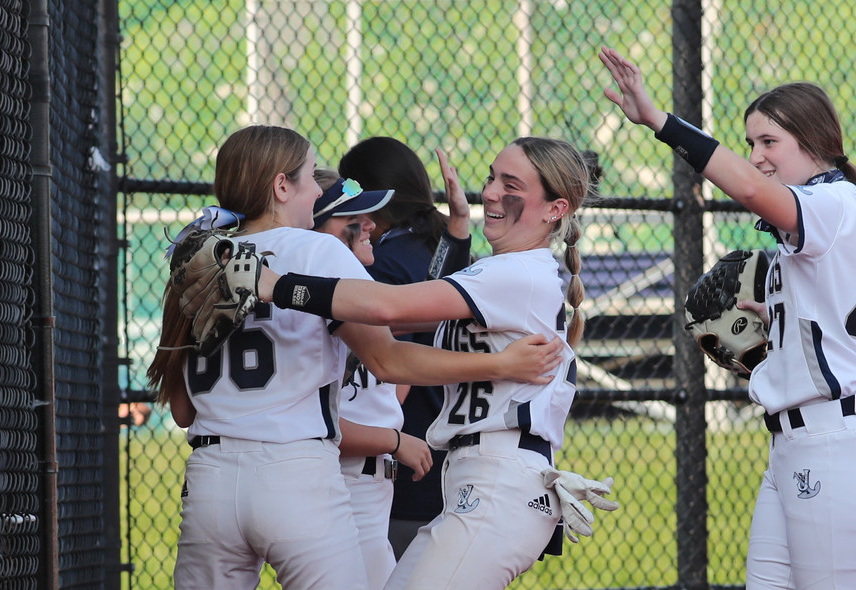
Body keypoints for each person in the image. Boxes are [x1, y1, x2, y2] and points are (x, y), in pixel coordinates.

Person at [144, 125, 564, 590]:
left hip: (209, 480)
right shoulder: (317, 248)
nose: (318, 194)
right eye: (308, 179)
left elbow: (182, 411)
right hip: (295, 470)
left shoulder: (199, 256)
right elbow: (387, 360)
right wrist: (498, 365)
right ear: (282, 186)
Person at [599, 47, 856, 588]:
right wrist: (790, 325)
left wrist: (658, 120)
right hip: (799, 447)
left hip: (836, 446)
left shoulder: (832, 203)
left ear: (816, 143)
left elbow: (746, 187)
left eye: (770, 141)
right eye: (751, 142)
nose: (757, 155)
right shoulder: (829, 212)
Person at [254, 136, 591, 590]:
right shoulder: (507, 270)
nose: (490, 192)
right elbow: (398, 350)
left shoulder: (519, 272)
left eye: (511, 184)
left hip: (500, 483)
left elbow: (389, 306)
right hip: (483, 482)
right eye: (492, 177)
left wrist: (278, 285)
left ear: (555, 209)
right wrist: (456, 229)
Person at [337, 137, 472, 558]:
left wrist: (391, 439)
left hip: (402, 459)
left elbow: (393, 372)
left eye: (348, 194)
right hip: (448, 453)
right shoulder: (440, 246)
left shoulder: (385, 260)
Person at [311, 167, 432, 589]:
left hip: (370, 480)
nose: (371, 226)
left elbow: (391, 372)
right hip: (347, 481)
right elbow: (319, 423)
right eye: (352, 220)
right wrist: (395, 441)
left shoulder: (354, 286)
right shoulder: (325, 296)